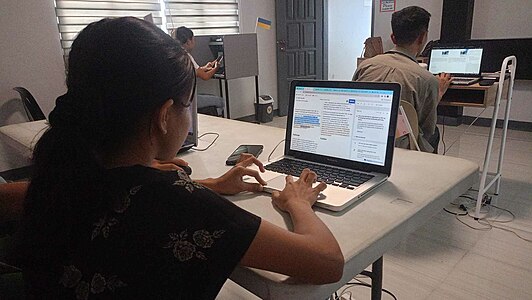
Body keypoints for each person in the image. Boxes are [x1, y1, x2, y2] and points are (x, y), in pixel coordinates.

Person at [14, 17, 343, 299]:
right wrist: (298, 201)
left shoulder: (66, 169)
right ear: (164, 115)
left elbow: (132, 200)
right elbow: (328, 262)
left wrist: (210, 184)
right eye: (188, 104)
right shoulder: (179, 203)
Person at [353, 6, 452, 153]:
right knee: (434, 133)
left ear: (393, 38)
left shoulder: (365, 66)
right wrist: (439, 92)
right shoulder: (426, 79)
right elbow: (426, 128)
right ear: (422, 37)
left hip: (361, 138)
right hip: (400, 148)